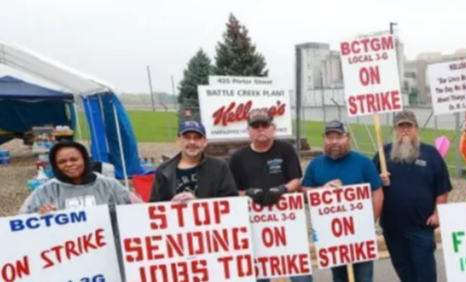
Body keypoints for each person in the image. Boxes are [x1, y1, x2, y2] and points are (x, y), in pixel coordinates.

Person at [228, 109, 307, 282]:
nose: (261, 129)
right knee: (260, 277)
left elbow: (296, 180)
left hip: (288, 223)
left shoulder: (285, 150)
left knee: (301, 277)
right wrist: (247, 193)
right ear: (249, 130)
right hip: (254, 226)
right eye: (255, 126)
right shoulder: (237, 158)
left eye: (265, 125)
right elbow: (232, 192)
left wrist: (282, 189)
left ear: (273, 128)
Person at [373, 111, 451, 282]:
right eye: (401, 126)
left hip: (421, 226)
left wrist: (437, 213)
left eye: (409, 126)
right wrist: (379, 180)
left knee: (426, 275)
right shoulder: (382, 154)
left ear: (416, 128)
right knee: (405, 273)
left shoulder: (431, 155)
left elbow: (442, 189)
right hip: (392, 228)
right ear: (395, 129)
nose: (405, 130)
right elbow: (371, 188)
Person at [301, 120, 384, 282]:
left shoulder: (363, 162)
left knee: (363, 276)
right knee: (339, 277)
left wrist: (371, 219)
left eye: (339, 137)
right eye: (329, 137)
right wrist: (320, 190)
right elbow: (304, 190)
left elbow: (377, 192)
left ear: (348, 138)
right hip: (331, 234)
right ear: (324, 139)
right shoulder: (316, 164)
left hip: (360, 233)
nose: (334, 142)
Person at [20, 140, 140, 215]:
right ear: (55, 165)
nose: (69, 164)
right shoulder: (44, 191)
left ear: (85, 159)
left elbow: (138, 211)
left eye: (74, 159)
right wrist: (39, 216)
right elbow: (22, 222)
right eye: (62, 162)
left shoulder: (110, 185)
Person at [150, 121, 238, 203]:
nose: (192, 142)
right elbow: (153, 206)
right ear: (178, 140)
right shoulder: (164, 170)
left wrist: (197, 202)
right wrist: (171, 205)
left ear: (205, 142)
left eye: (197, 138)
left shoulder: (219, 167)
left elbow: (231, 202)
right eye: (187, 137)